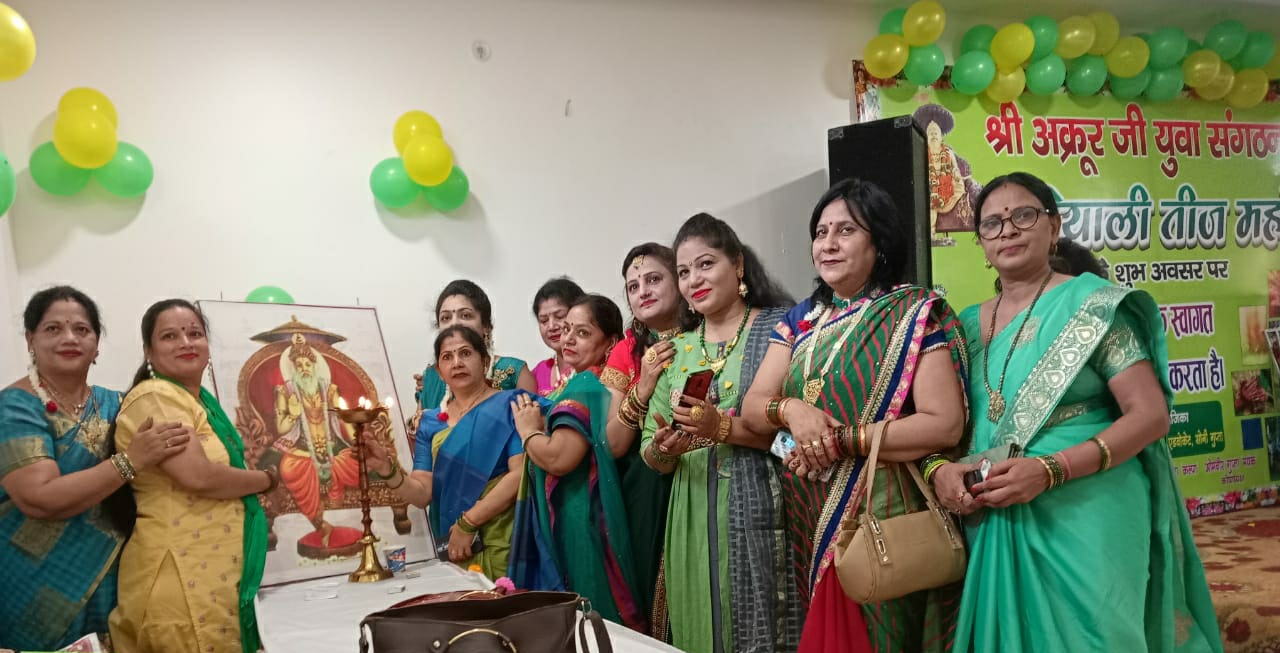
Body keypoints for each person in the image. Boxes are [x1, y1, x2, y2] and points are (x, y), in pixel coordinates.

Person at [929, 172, 1222, 652]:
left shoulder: (1093, 307)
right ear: (980, 241)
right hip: (997, 514)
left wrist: (1050, 469)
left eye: (1024, 215)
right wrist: (941, 471)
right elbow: (947, 426)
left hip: (1088, 508)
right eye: (992, 223)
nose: (1008, 230)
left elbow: (1149, 414)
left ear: (1054, 226)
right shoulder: (962, 325)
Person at [741, 178, 969, 652]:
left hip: (885, 510)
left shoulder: (914, 313)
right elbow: (753, 407)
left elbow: (943, 424)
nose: (827, 244)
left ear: (879, 242)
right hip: (811, 506)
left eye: (845, 230)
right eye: (820, 232)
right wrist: (792, 409)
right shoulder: (801, 320)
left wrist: (840, 440)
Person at [639, 213, 798, 653]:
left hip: (764, 509)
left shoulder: (781, 333)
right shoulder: (675, 351)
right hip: (690, 517)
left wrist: (722, 428)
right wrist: (664, 448)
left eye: (705, 264)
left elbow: (796, 442)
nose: (694, 280)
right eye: (684, 272)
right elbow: (650, 454)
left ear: (738, 264)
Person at [0, 287, 188, 651]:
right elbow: (39, 498)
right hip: (35, 586)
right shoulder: (15, 407)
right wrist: (130, 461)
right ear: (30, 340)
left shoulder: (119, 404)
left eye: (82, 329)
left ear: (97, 344)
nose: (69, 338)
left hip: (117, 580)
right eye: (53, 329)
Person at [109, 300, 275, 653]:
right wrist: (267, 480)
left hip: (212, 573)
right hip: (180, 574)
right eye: (170, 336)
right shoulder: (155, 397)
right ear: (148, 351)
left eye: (194, 333)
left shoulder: (199, 402)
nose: (185, 342)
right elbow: (198, 476)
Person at [509, 294, 647, 632]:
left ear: (610, 343)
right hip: (578, 512)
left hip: (579, 517)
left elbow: (559, 458)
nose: (568, 338)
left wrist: (528, 432)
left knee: (592, 619)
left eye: (583, 333)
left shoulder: (587, 384)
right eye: (567, 329)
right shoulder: (581, 382)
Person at [364, 325, 530, 580]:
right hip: (453, 545)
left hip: (503, 538)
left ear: (485, 362)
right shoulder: (430, 421)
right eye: (447, 357)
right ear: (440, 372)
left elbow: (519, 475)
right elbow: (422, 494)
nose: (457, 363)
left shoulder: (511, 406)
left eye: (466, 353)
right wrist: (388, 469)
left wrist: (468, 523)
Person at [599, 243, 691, 631]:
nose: (643, 291)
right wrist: (644, 386)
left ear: (679, 279)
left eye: (654, 279)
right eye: (633, 287)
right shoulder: (626, 351)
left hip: (705, 471)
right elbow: (612, 444)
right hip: (646, 486)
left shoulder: (707, 333)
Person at [273, 332, 360, 548]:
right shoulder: (285, 392)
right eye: (299, 365)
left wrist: (358, 441)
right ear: (293, 369)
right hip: (302, 450)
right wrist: (293, 414)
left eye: (307, 364)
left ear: (314, 366)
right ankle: (320, 523)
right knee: (289, 469)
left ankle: (341, 508)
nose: (304, 368)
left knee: (357, 461)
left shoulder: (329, 390)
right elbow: (281, 428)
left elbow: (345, 419)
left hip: (332, 447)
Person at [415, 280, 536, 417]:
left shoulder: (514, 372)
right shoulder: (432, 377)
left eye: (465, 315)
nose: (454, 323)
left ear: (486, 326)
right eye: (446, 318)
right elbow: (419, 428)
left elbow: (533, 426)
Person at [529, 277, 585, 395]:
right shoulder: (537, 374)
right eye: (544, 320)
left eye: (560, 316)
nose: (551, 326)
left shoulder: (594, 364)